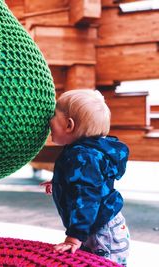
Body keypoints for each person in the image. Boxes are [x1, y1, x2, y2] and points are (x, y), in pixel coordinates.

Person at [41, 89, 130, 266]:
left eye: (53, 116)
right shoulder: (85, 152)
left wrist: (74, 238)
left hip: (101, 233)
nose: (49, 121)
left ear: (69, 125)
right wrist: (59, 181)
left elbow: (87, 197)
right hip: (96, 226)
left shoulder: (83, 157)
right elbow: (83, 180)